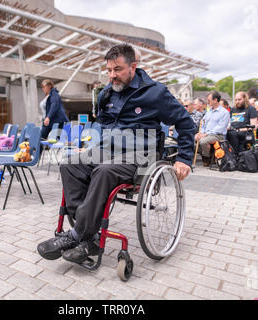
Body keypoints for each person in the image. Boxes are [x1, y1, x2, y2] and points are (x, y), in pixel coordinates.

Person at [37, 44, 195, 264]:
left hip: (140, 156)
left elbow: (185, 123)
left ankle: (76, 235)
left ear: (133, 66)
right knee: (70, 164)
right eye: (109, 70)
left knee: (104, 171)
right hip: (108, 150)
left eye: (118, 69)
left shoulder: (155, 92)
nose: (112, 75)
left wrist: (184, 158)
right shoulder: (107, 93)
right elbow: (103, 124)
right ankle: (88, 236)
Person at [195, 91, 230, 167]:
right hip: (207, 134)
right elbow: (203, 124)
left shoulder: (224, 112)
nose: (207, 102)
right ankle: (208, 153)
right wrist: (201, 133)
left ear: (215, 100)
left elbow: (220, 128)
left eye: (209, 100)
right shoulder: (208, 112)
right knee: (194, 138)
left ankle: (207, 157)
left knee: (203, 141)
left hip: (218, 135)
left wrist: (206, 134)